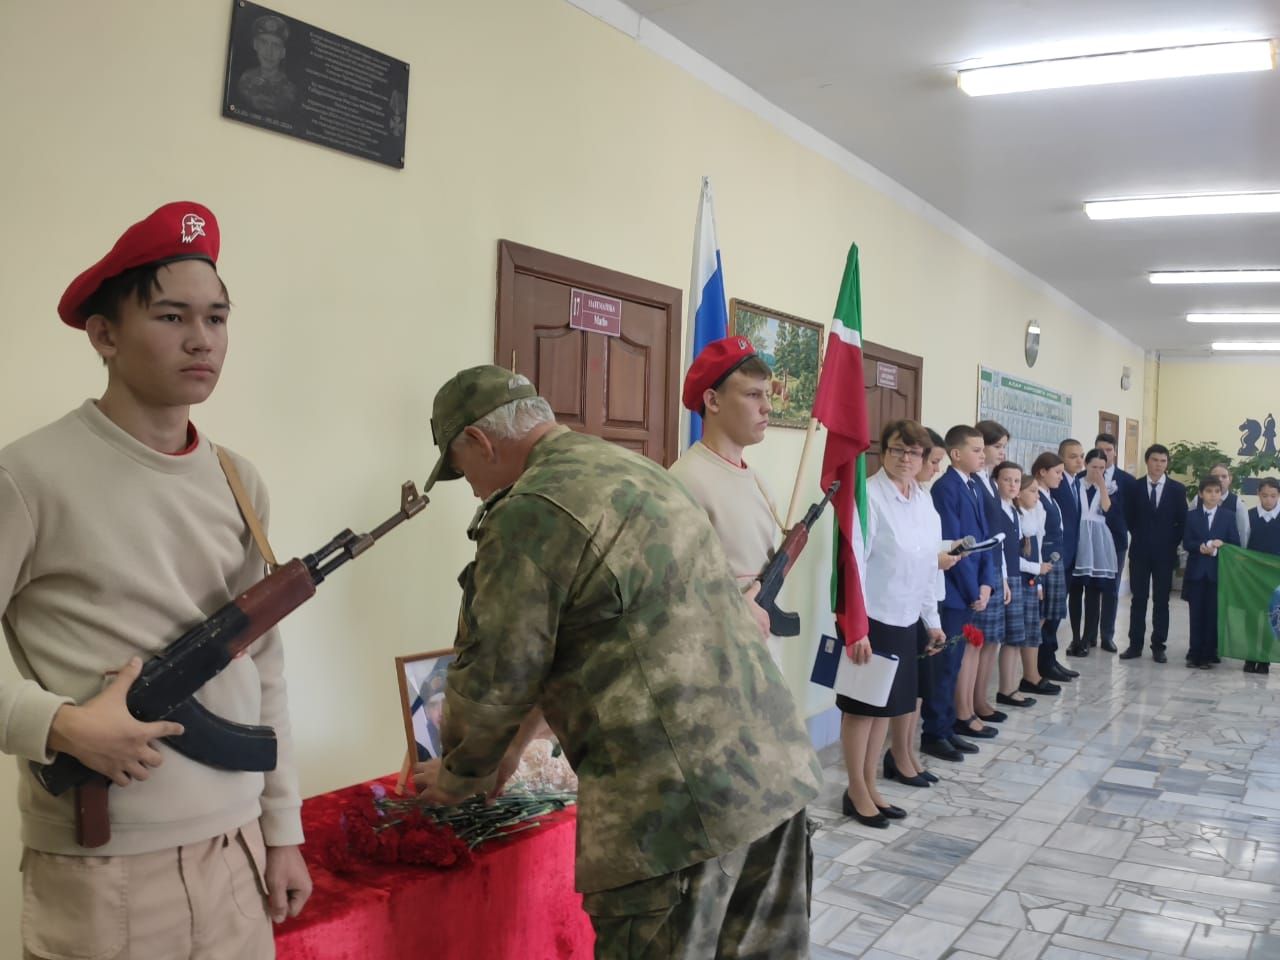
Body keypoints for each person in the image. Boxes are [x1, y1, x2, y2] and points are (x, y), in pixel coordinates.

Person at [411, 366, 824, 958]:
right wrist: (509, 751)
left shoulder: (530, 510)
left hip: (674, 815)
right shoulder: (637, 470)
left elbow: (500, 673)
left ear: (479, 443)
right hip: (772, 772)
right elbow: (588, 640)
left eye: (462, 470)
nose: (473, 488)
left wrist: (461, 772)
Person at [0, 202, 310, 959]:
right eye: (171, 317)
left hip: (236, 852)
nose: (202, 340)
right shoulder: (28, 476)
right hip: (106, 868)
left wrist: (282, 831)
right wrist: (57, 724)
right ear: (104, 335)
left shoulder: (239, 479)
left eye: (217, 318)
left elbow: (262, 662)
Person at [839, 420, 956, 825]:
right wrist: (857, 628)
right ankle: (856, 790)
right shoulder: (868, 498)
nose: (905, 459)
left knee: (887, 709)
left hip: (907, 619)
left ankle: (871, 785)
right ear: (883, 452)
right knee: (862, 710)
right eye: (896, 450)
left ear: (923, 458)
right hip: (871, 618)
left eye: (913, 452)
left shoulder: (922, 500)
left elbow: (926, 566)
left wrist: (932, 619)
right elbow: (853, 565)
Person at [669, 336, 782, 661]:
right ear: (713, 401)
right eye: (752, 394)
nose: (767, 406)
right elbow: (668, 587)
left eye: (767, 394)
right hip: (716, 662)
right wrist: (733, 608)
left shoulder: (756, 479)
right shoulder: (685, 480)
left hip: (760, 654)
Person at [924, 426, 998, 763]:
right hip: (954, 592)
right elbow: (956, 545)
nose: (983, 456)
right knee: (944, 666)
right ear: (956, 454)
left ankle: (948, 726)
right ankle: (935, 732)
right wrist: (972, 590)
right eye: (977, 450)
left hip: (971, 588)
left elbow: (981, 541)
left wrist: (987, 583)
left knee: (953, 665)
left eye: (984, 450)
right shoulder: (946, 488)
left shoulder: (973, 485)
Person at [885, 427, 948, 788]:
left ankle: (906, 753)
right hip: (894, 608)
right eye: (933, 460)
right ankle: (898, 756)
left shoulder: (921, 499)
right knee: (896, 696)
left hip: (920, 605)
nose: (931, 467)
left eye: (922, 457)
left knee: (916, 691)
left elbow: (924, 554)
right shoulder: (883, 496)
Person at [966, 421, 1012, 738]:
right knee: (977, 643)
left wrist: (1004, 577)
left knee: (991, 642)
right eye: (996, 447)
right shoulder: (976, 483)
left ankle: (980, 700)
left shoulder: (990, 483)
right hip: (981, 571)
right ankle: (969, 704)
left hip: (994, 569)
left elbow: (1000, 537)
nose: (998, 453)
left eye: (998, 448)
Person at [1121, 444, 1187, 663]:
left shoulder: (1177, 489)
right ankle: (1135, 645)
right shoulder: (1134, 487)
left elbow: (1182, 521)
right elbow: (1129, 517)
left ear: (1167, 464)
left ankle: (1158, 646)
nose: (1159, 465)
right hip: (1139, 552)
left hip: (1165, 554)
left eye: (1163, 461)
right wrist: (1141, 535)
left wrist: (1170, 541)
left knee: (1161, 601)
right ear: (1147, 461)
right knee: (1138, 599)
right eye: (1155, 460)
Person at [1067, 449, 1122, 656]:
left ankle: (1087, 639)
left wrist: (1102, 486)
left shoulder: (1109, 487)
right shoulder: (1076, 483)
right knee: (1075, 591)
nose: (1098, 471)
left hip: (1098, 539)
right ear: (1086, 465)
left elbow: (1108, 509)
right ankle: (1074, 637)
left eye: (1102, 467)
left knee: (1094, 592)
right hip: (1079, 537)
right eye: (1094, 467)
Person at [1183, 477, 1241, 669]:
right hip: (1196, 573)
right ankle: (1194, 653)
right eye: (1209, 491)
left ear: (1221, 495)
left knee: (1212, 614)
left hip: (1218, 573)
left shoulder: (1228, 516)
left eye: (1217, 491)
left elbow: (1235, 543)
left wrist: (1219, 547)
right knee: (1196, 614)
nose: (1213, 495)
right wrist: (1200, 547)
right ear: (1200, 494)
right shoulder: (1192, 516)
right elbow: (1187, 542)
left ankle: (1208, 655)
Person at [1034, 452, 1076, 682]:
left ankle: (1050, 659)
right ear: (1042, 471)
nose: (1061, 477)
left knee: (1053, 616)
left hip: (1056, 560)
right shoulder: (1036, 497)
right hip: (1045, 562)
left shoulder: (1050, 496)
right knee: (1044, 616)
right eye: (1057, 473)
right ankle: (1042, 664)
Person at [1092, 433, 1131, 652]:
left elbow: (1130, 513)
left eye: (1108, 450)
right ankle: (1088, 636)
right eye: (1100, 449)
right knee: (1090, 588)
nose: (1104, 454)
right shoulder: (1084, 477)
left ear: (1115, 451)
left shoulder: (1126, 481)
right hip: (1090, 540)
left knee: (1111, 589)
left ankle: (1107, 635)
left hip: (1115, 540)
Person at [1245, 477, 1280, 673]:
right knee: (1251, 615)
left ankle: (1264, 657)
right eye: (1265, 495)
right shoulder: (1249, 516)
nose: (1268, 500)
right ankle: (1250, 655)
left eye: (1273, 496)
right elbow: (1241, 543)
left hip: (1274, 578)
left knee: (1270, 616)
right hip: (1251, 576)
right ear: (1258, 494)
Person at [237, 14, 298, 115]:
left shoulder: (290, 90)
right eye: (263, 43)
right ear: (255, 44)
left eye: (276, 45)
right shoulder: (245, 80)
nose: (269, 52)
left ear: (283, 53)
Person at [1193, 463, 1251, 548]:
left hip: (1226, 556)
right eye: (1216, 477)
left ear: (1230, 479)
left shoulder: (1237, 503)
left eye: (1224, 476)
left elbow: (1244, 533)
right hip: (1200, 555)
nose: (1220, 480)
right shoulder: (1197, 500)